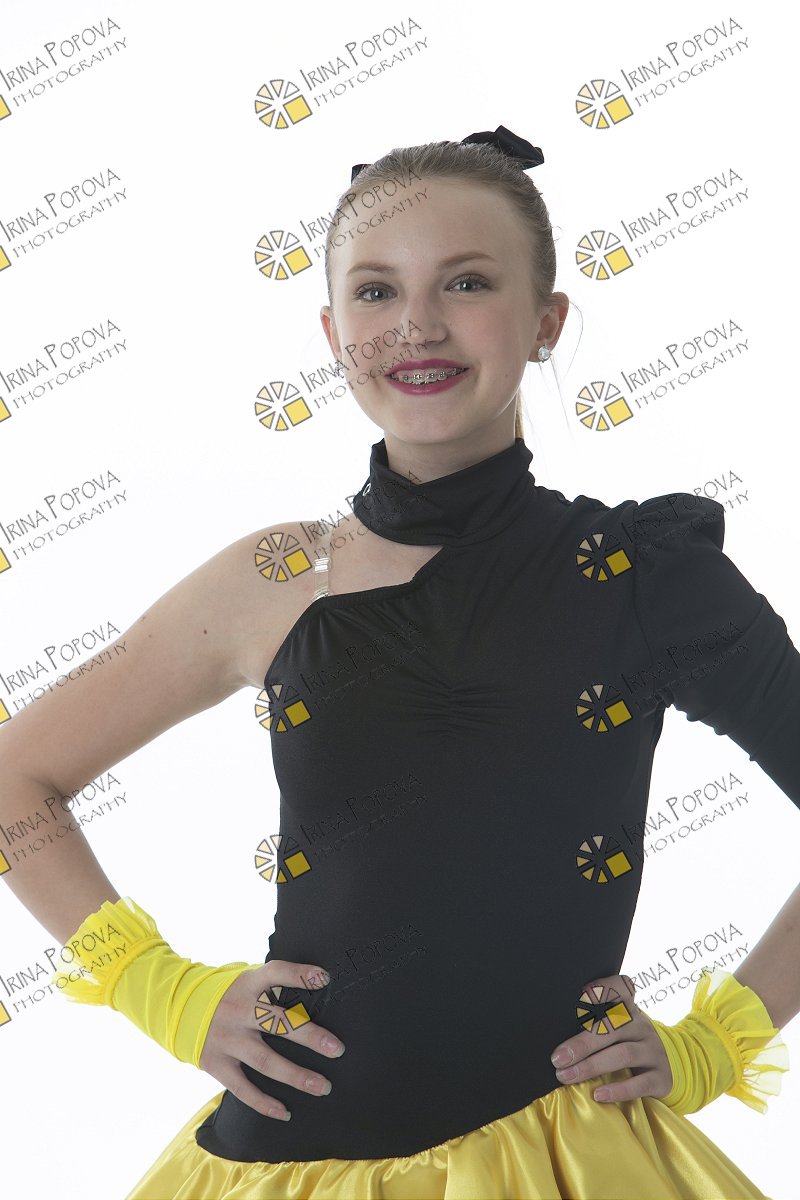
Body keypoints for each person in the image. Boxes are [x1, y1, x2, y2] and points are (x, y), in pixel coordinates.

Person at [2, 126, 798, 1200]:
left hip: (560, 1163)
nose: (416, 325)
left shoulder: (643, 574)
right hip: (279, 1163)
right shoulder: (274, 579)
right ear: (334, 333)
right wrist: (163, 990)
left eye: (466, 282)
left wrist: (715, 1041)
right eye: (376, 292)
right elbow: (16, 776)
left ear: (546, 321)